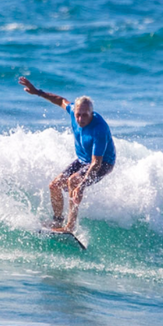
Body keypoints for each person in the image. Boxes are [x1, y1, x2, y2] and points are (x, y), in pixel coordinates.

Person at [18, 76, 116, 232]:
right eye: (78, 114)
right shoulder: (73, 112)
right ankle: (58, 221)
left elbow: (96, 163)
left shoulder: (99, 129)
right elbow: (60, 100)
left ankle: (70, 226)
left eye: (85, 115)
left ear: (92, 113)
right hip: (84, 159)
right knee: (54, 186)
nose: (80, 118)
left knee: (74, 181)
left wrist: (82, 185)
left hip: (103, 162)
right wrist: (37, 92)